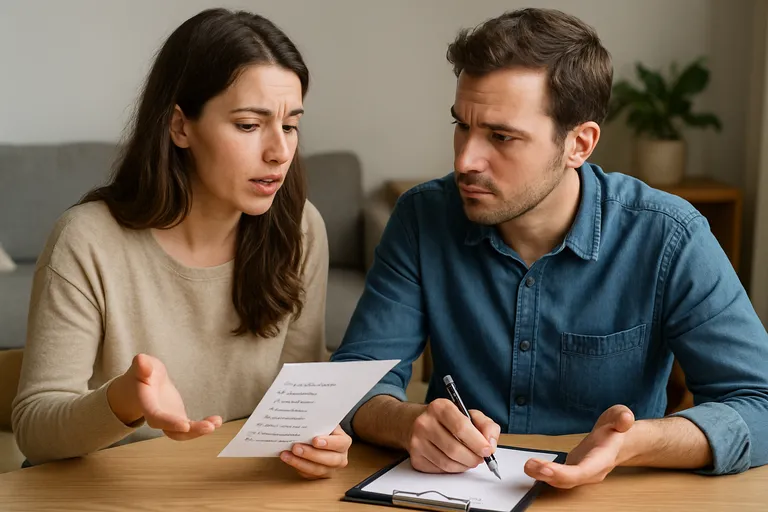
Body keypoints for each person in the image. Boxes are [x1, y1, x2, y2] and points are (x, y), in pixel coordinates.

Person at [331, 7, 768, 488]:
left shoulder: (670, 235)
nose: (465, 159)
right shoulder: (422, 217)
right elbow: (354, 386)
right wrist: (411, 423)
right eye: (462, 125)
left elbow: (759, 402)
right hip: (456, 494)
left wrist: (638, 442)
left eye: (501, 136)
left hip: (616, 497)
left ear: (579, 144)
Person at [12, 8, 351, 479]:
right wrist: (123, 402)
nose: (279, 152)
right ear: (180, 126)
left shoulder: (300, 228)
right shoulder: (86, 240)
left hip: (236, 491)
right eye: (249, 125)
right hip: (109, 493)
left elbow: (294, 401)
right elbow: (34, 429)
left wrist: (315, 441)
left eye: (290, 125)